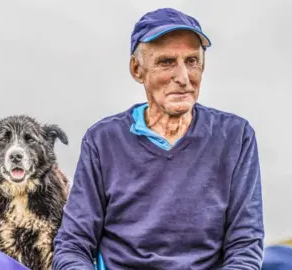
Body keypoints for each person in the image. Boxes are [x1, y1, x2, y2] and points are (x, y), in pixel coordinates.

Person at [52, 7, 265, 270]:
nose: (183, 78)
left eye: (192, 61)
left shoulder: (235, 136)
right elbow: (74, 243)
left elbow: (244, 244)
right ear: (137, 69)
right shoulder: (102, 140)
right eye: (167, 62)